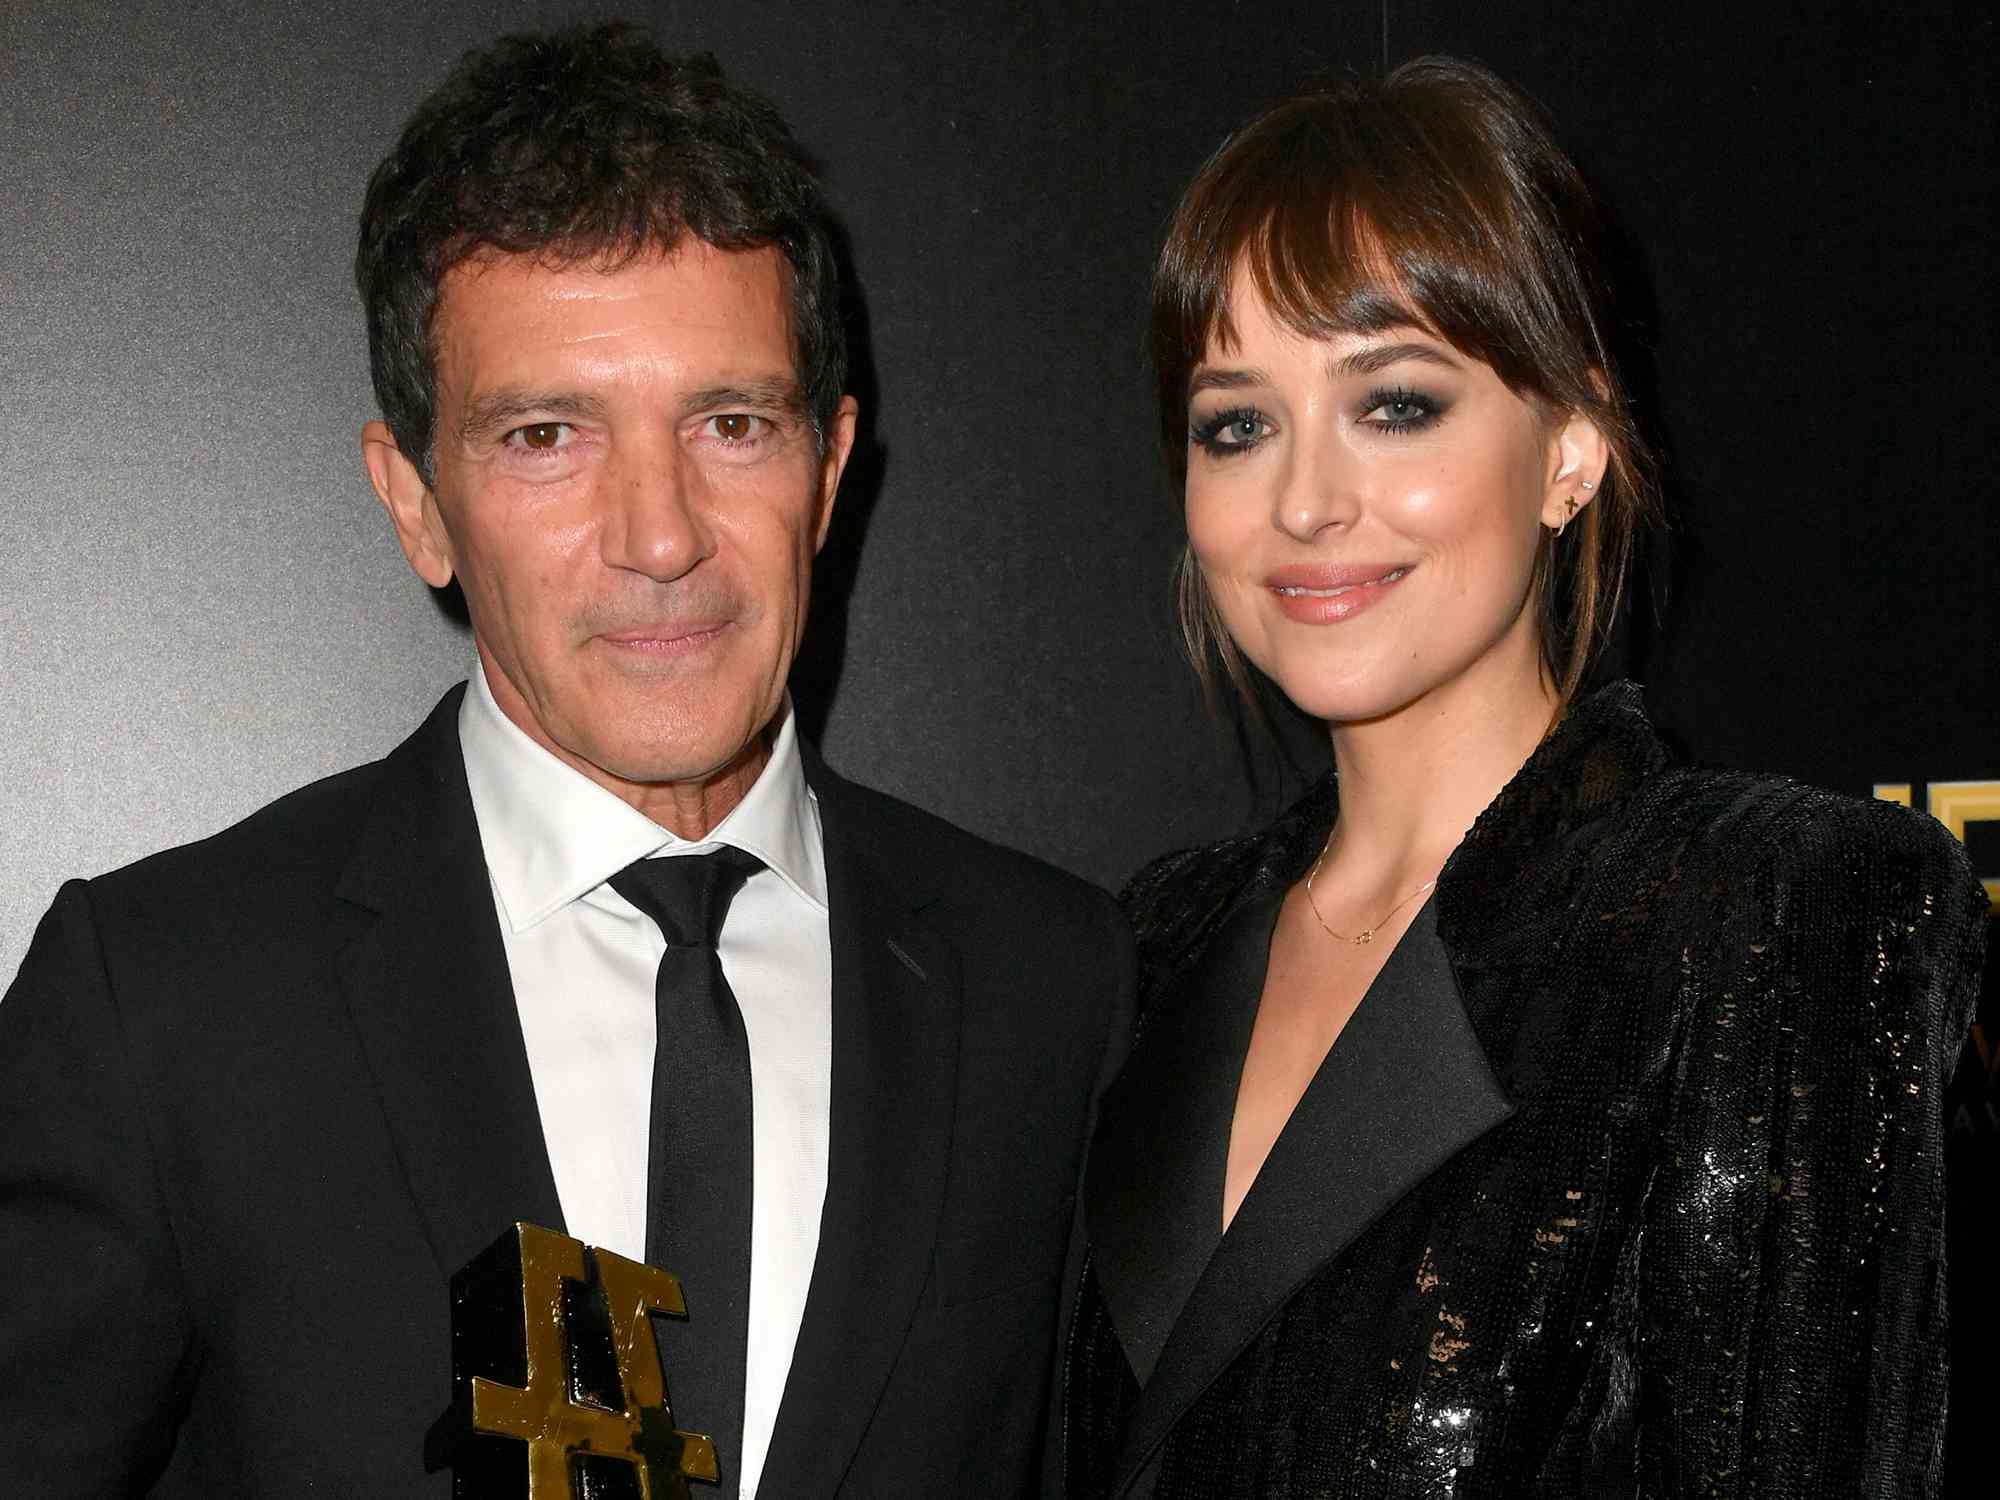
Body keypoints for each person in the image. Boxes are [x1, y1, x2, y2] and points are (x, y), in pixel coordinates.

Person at [0, 24, 1131, 1498]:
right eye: (546, 435)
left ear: (831, 471)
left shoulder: (1050, 987)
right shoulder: (164, 1002)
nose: (659, 535)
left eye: (732, 422)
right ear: (416, 502)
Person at [1058, 58, 1984, 1500]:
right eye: (1237, 424)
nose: (1304, 501)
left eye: (1398, 405)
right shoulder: (1145, 949)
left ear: (1571, 449)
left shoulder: (1777, 918)